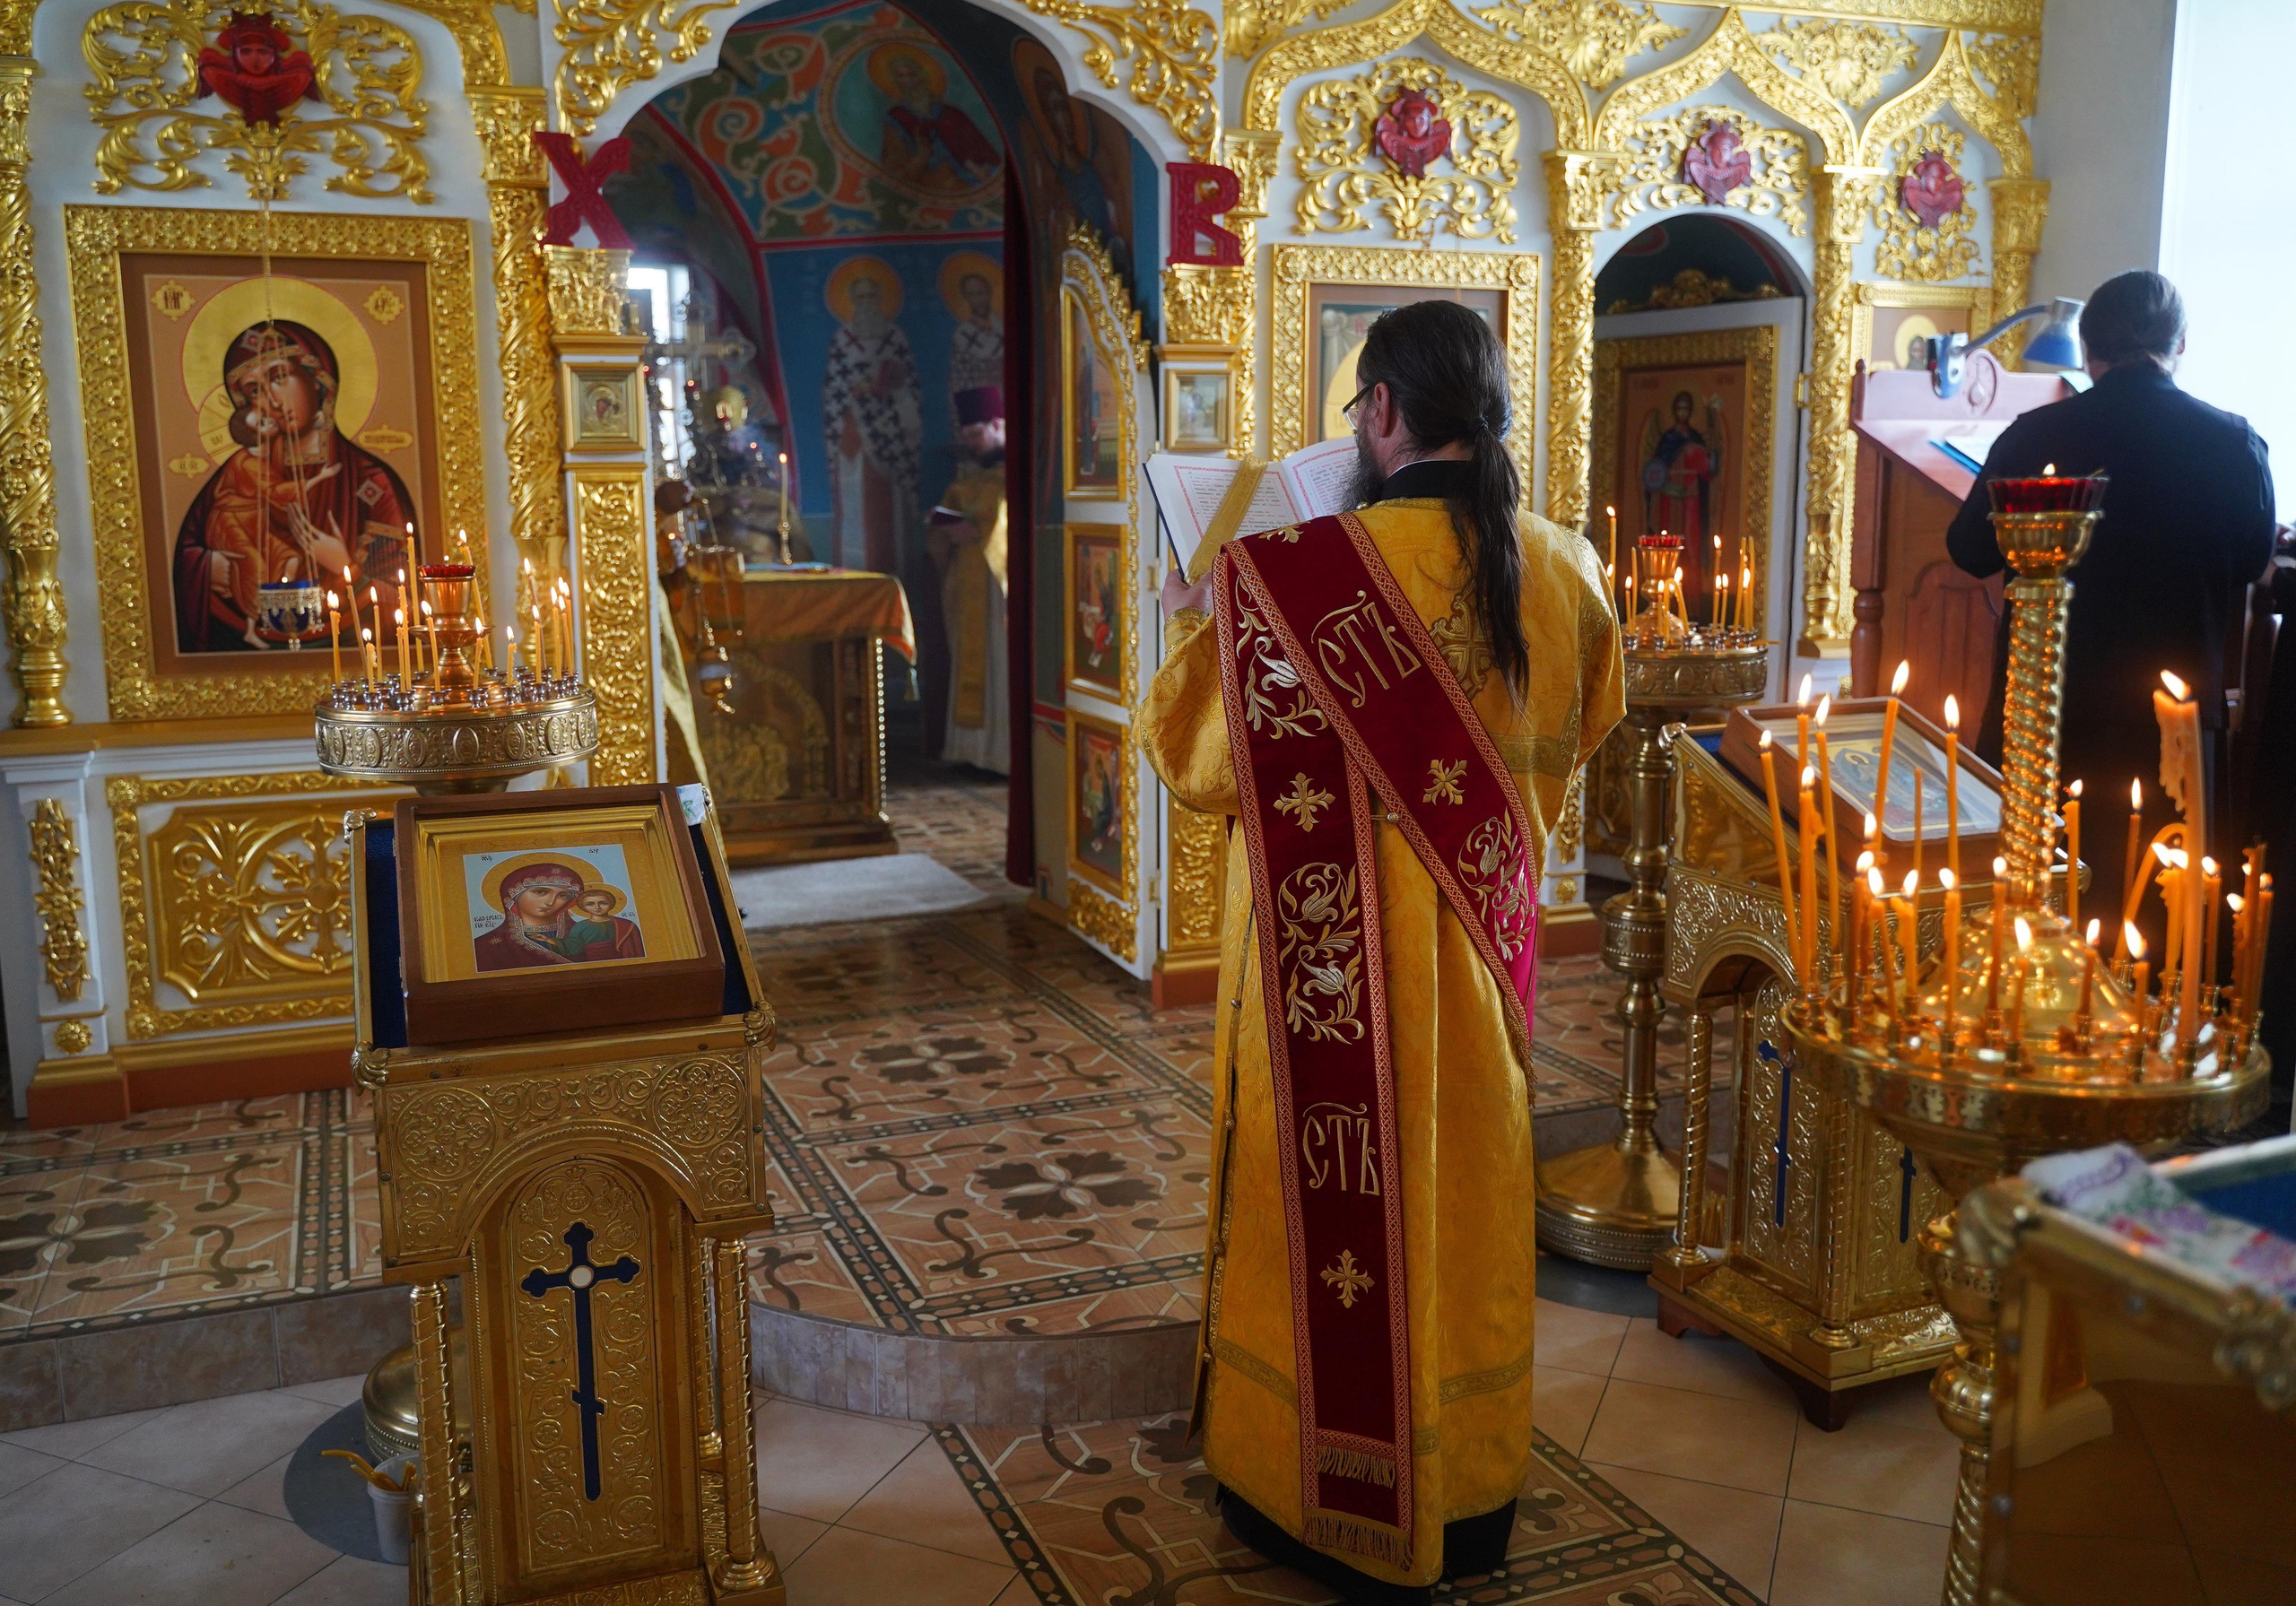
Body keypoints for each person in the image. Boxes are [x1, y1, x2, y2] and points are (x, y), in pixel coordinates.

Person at [1139, 299, 1623, 1602]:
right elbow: (1582, 731)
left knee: (1319, 1225)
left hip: (1316, 992)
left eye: (1361, 407)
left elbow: (1189, 756)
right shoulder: (1565, 566)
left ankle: (1310, 1495)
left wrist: (1199, 607)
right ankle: (1462, 1489)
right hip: (1476, 972)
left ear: (1388, 413)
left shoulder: (1288, 577)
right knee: (1458, 1210)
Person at [1945, 271, 2274, 934]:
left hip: (2046, 707)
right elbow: (2250, 564)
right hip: (2170, 723)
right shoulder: (2233, 442)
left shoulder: (2034, 436)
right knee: (2157, 913)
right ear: (2181, 342)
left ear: (2088, 350)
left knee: (2034, 905)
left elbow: (1968, 549)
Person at [174, 320, 417, 652]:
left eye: (278, 378)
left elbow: (406, 598)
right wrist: (209, 567)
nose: (271, 400)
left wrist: (345, 567)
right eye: (254, 390)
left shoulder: (368, 481)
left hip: (352, 646)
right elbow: (189, 556)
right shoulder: (239, 474)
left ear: (317, 380)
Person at [927, 385, 1009, 773]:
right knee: (973, 663)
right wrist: (946, 530)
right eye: (968, 438)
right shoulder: (966, 483)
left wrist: (979, 530)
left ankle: (1001, 754)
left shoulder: (1018, 478)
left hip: (1001, 588)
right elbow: (941, 525)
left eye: (977, 435)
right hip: (969, 584)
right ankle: (971, 751)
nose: (973, 445)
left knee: (999, 664)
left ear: (998, 424)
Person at [473, 863, 585, 971]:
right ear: (514, 895)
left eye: (562, 895)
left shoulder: (584, 934)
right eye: (540, 892)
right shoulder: (486, 947)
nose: (551, 902)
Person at [560, 886, 647, 962]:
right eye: (590, 904)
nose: (597, 907)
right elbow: (573, 948)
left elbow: (635, 950)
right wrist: (551, 941)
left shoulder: (626, 925)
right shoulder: (580, 926)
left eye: (603, 903)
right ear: (583, 907)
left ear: (611, 904)